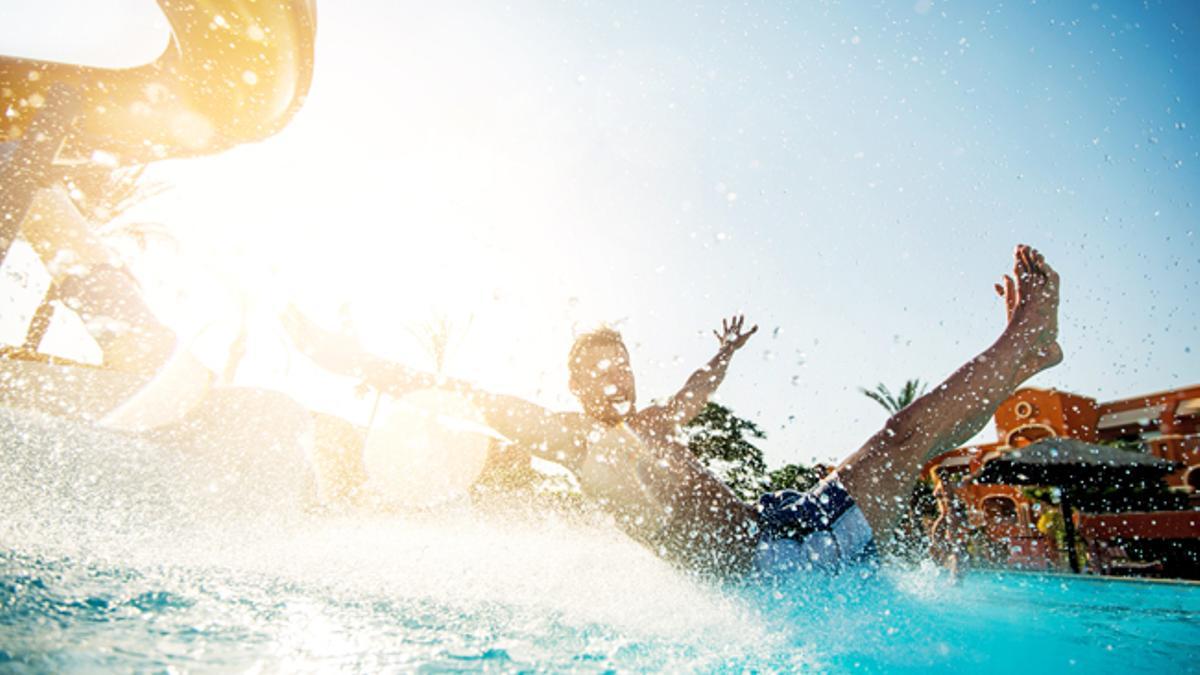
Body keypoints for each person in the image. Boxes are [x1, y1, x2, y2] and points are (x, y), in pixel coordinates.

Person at [285, 244, 1061, 580]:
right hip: (779, 565)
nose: (614, 382)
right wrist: (346, 358)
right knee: (899, 437)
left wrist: (723, 354)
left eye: (620, 367)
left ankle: (1023, 349)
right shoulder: (571, 439)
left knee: (898, 441)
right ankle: (1025, 344)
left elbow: (695, 392)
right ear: (574, 385)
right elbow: (461, 395)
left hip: (779, 521)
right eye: (596, 373)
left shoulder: (649, 423)